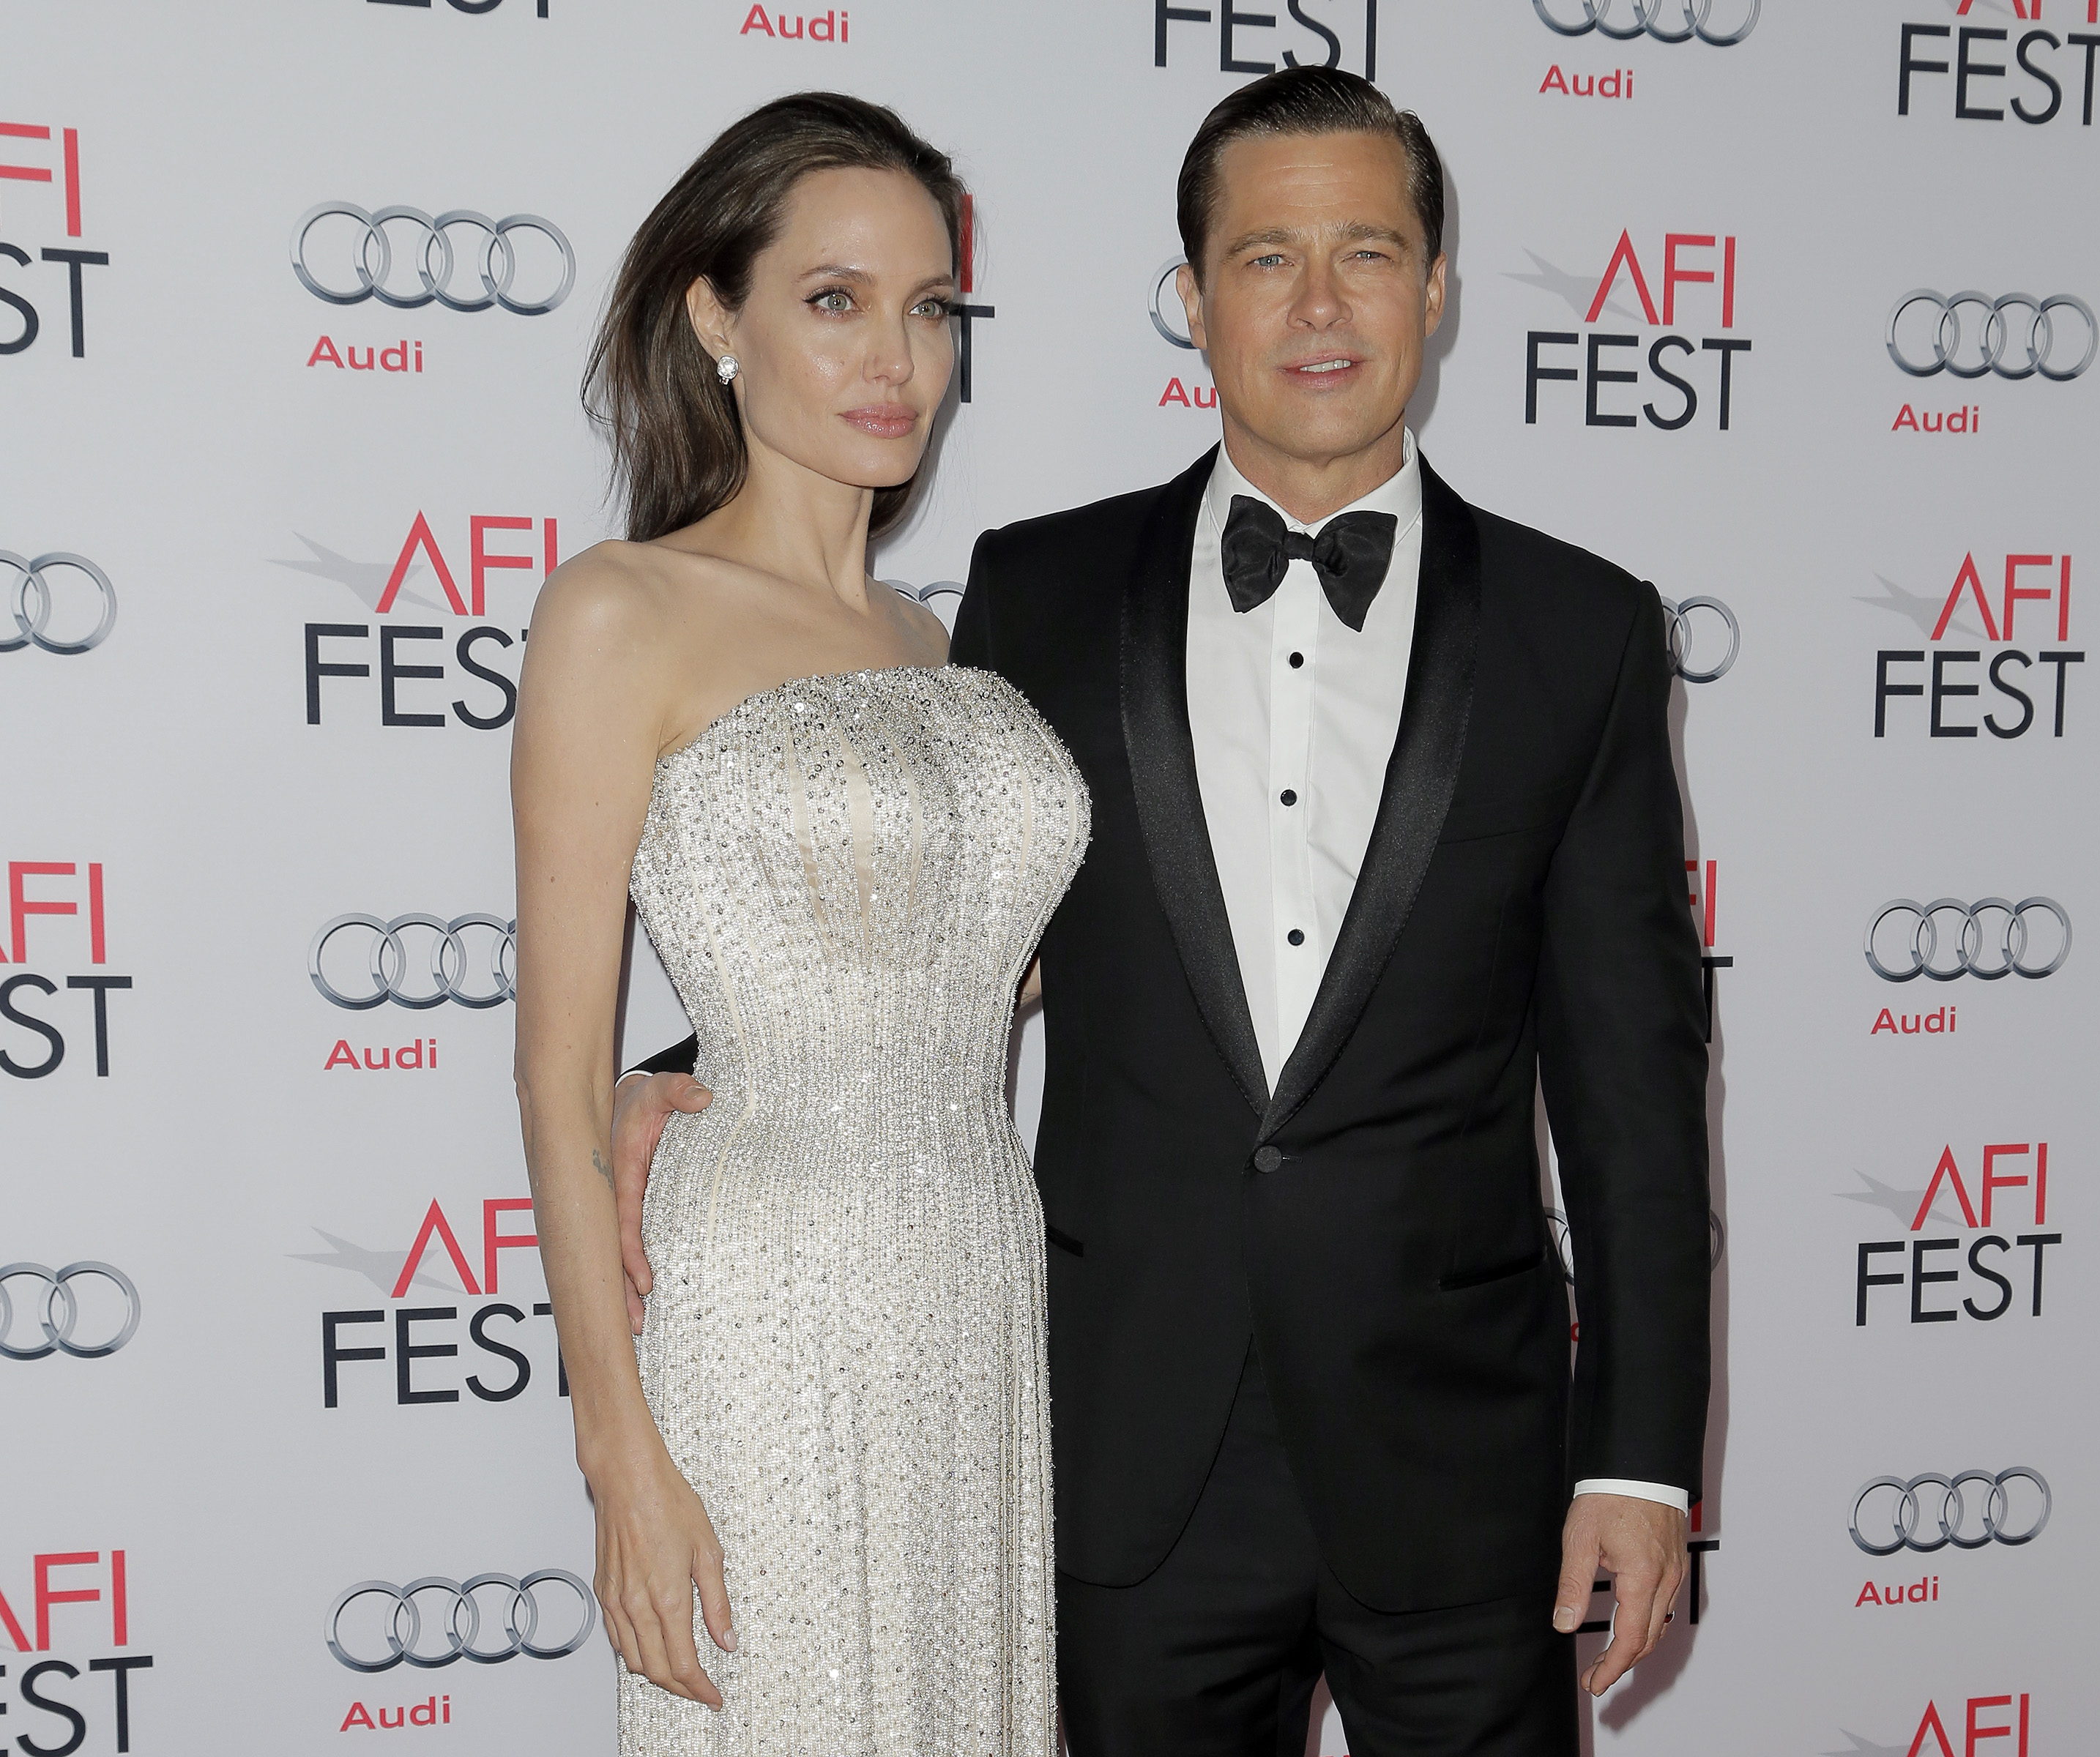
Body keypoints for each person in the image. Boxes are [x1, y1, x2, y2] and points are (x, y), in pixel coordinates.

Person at [617, 68, 1709, 1756]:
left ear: (1438, 286)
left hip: (1464, 1475)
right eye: (1269, 258)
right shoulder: (1040, 593)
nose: (1324, 304)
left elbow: (1638, 1091)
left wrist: (1637, 1460)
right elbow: (929, 904)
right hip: (1123, 1457)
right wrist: (695, 1065)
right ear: (1193, 300)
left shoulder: (1586, 630)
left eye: (1370, 249)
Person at [510, 92, 1084, 1757]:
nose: (896, 357)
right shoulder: (625, 610)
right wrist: (620, 1451)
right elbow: (559, 1070)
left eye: (931, 308)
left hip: (976, 1287)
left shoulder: (942, 643)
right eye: (834, 301)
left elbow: (955, 959)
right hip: (765, 1305)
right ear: (717, 318)